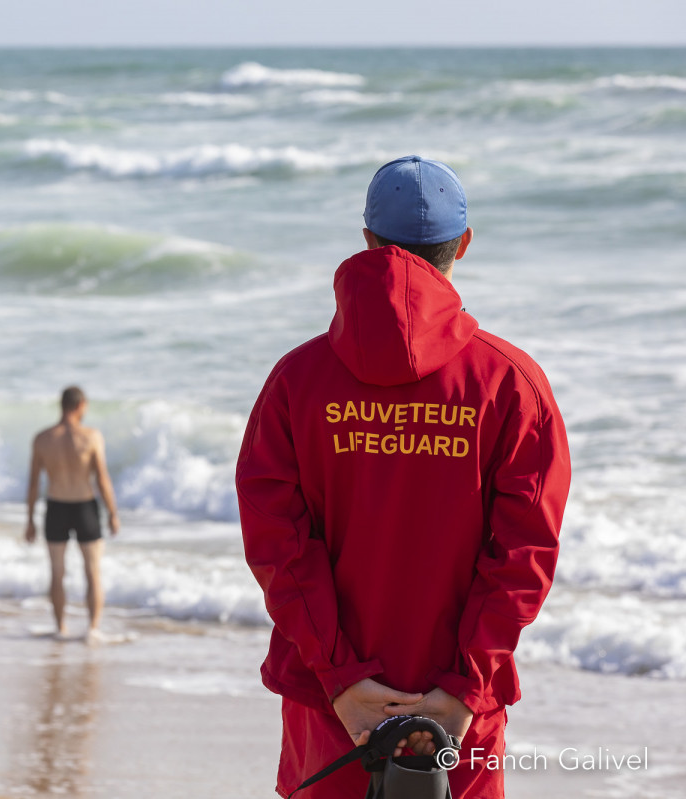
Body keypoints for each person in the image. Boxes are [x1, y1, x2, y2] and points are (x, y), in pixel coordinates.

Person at [236, 156, 570, 798]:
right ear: (463, 246)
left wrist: (343, 680)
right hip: (456, 716)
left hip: (334, 706)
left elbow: (276, 543)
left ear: (367, 242)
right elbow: (526, 555)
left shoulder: (295, 382)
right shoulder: (511, 383)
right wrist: (463, 688)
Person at [25, 386, 120, 642]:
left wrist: (30, 520)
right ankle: (93, 630)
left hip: (55, 507)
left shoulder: (42, 439)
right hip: (84, 507)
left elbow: (34, 483)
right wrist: (113, 513)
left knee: (57, 572)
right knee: (93, 571)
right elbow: (102, 479)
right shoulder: (91, 437)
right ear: (81, 406)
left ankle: (60, 629)